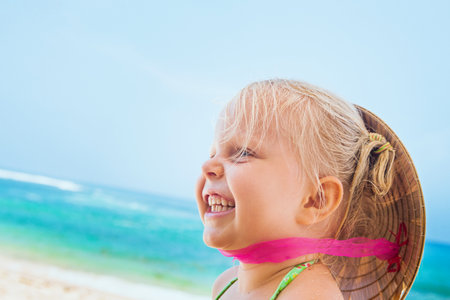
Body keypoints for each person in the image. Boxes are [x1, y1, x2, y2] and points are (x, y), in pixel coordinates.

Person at [195, 79, 425, 299]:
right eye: (212, 153)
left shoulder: (311, 294)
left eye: (243, 152)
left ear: (317, 200)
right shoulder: (226, 284)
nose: (208, 166)